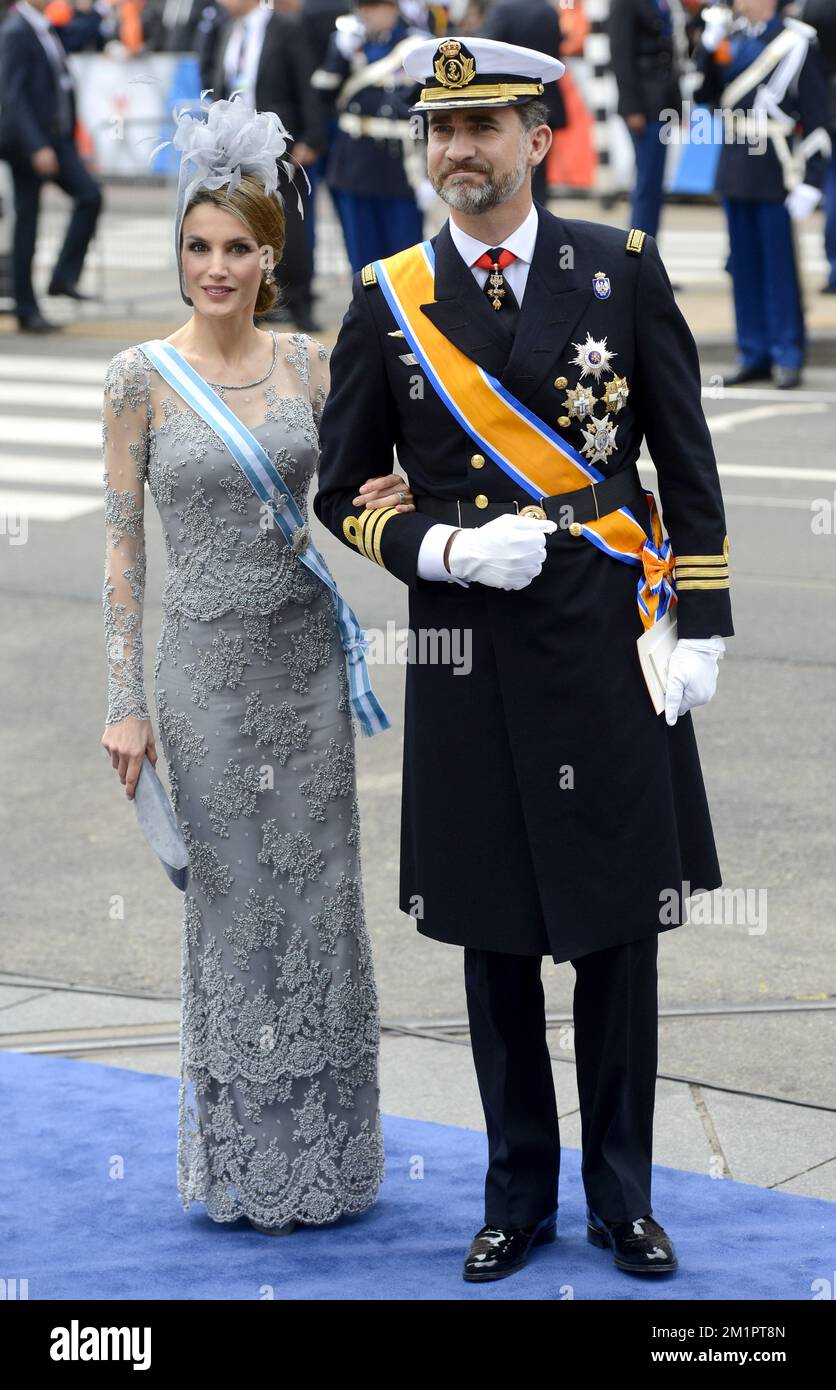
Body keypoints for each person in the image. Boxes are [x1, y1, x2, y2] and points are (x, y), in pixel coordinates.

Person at [314, 35, 733, 1283]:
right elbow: (340, 493)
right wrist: (436, 549)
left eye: (483, 126)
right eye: (439, 130)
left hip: (605, 643)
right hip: (466, 648)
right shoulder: (385, 297)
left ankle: (621, 1200)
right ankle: (515, 1197)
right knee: (492, 935)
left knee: (616, 933)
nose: (457, 150)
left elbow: (685, 461)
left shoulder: (617, 269)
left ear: (537, 136)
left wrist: (698, 619)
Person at [99, 95, 408, 1233]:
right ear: (177, 251)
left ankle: (328, 1158)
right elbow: (125, 553)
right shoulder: (137, 378)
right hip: (204, 680)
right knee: (231, 908)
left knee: (320, 900)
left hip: (304, 670)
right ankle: (243, 1162)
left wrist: (401, 492)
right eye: (196, 246)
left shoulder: (308, 363)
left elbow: (357, 483)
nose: (213, 267)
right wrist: (125, 703)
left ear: (268, 254)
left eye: (236, 247)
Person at [693, 0, 832, 387]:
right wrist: (707, 45)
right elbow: (704, 94)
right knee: (743, 266)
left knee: (779, 267)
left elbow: (818, 116)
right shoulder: (730, 38)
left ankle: (787, 352)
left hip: (775, 166)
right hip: (736, 163)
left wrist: (812, 181)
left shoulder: (796, 42)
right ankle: (753, 352)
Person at [203, 0, 325, 330]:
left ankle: (300, 302)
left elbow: (305, 84)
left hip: (280, 143)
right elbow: (216, 80)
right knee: (247, 224)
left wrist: (311, 137)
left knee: (293, 228)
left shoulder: (285, 27)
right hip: (236, 145)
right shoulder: (226, 29)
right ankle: (259, 301)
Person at [0, 0, 104, 332]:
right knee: (27, 224)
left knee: (90, 196)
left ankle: (62, 277)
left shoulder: (44, 27)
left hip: (57, 140)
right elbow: (12, 96)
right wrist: (36, 145)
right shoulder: (17, 31)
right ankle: (26, 309)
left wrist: (89, 11)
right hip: (32, 144)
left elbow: (83, 34)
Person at [311, 0, 431, 271]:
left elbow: (427, 108)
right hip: (356, 162)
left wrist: (427, 173)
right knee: (362, 258)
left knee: (405, 256)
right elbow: (322, 94)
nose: (372, 14)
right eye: (367, 7)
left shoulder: (415, 45)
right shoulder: (347, 44)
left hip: (401, 165)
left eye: (380, 7)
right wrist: (338, 56)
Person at [479, 0, 567, 206]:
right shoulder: (548, 10)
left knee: (510, 168)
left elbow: (488, 53)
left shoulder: (502, 10)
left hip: (511, 101)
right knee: (539, 167)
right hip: (545, 95)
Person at [608, 0, 684, 238]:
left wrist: (678, 105)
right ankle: (639, 250)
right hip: (643, 104)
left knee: (655, 184)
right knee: (647, 183)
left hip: (661, 103)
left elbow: (670, 55)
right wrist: (632, 107)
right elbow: (621, 54)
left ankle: (649, 248)